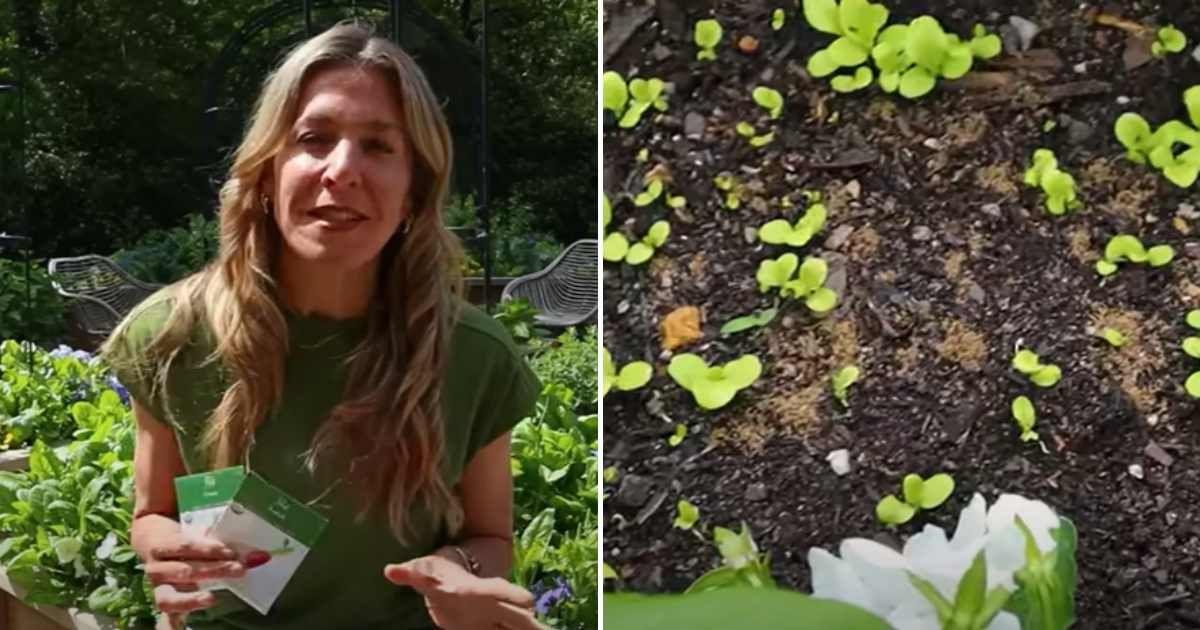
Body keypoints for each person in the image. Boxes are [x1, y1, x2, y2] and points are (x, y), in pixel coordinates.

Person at [102, 20, 544, 630]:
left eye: (378, 146)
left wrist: (460, 571)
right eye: (314, 138)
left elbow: (491, 537)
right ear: (266, 171)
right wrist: (166, 552)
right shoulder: (169, 336)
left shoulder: (474, 355)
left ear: (414, 191)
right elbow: (151, 513)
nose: (342, 169)